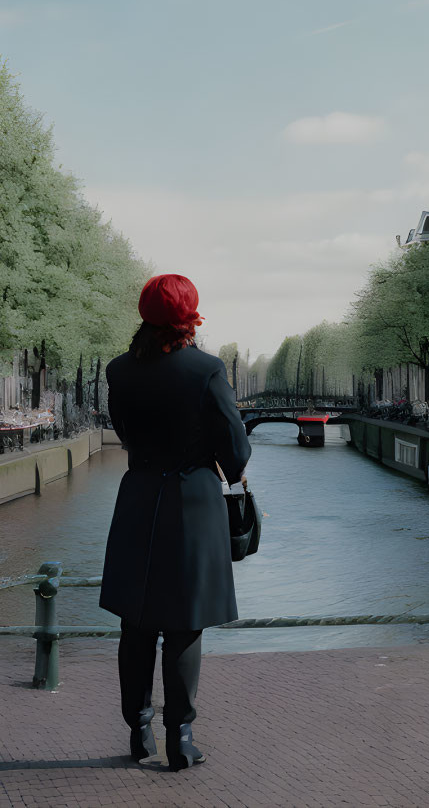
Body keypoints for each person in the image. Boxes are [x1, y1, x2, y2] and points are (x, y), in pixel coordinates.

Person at [99, 274, 251, 771]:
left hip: (139, 496)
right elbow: (236, 449)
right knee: (185, 625)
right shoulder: (208, 369)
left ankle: (138, 731)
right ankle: (180, 739)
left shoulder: (118, 371)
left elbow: (123, 431)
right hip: (193, 502)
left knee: (136, 623)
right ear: (190, 314)